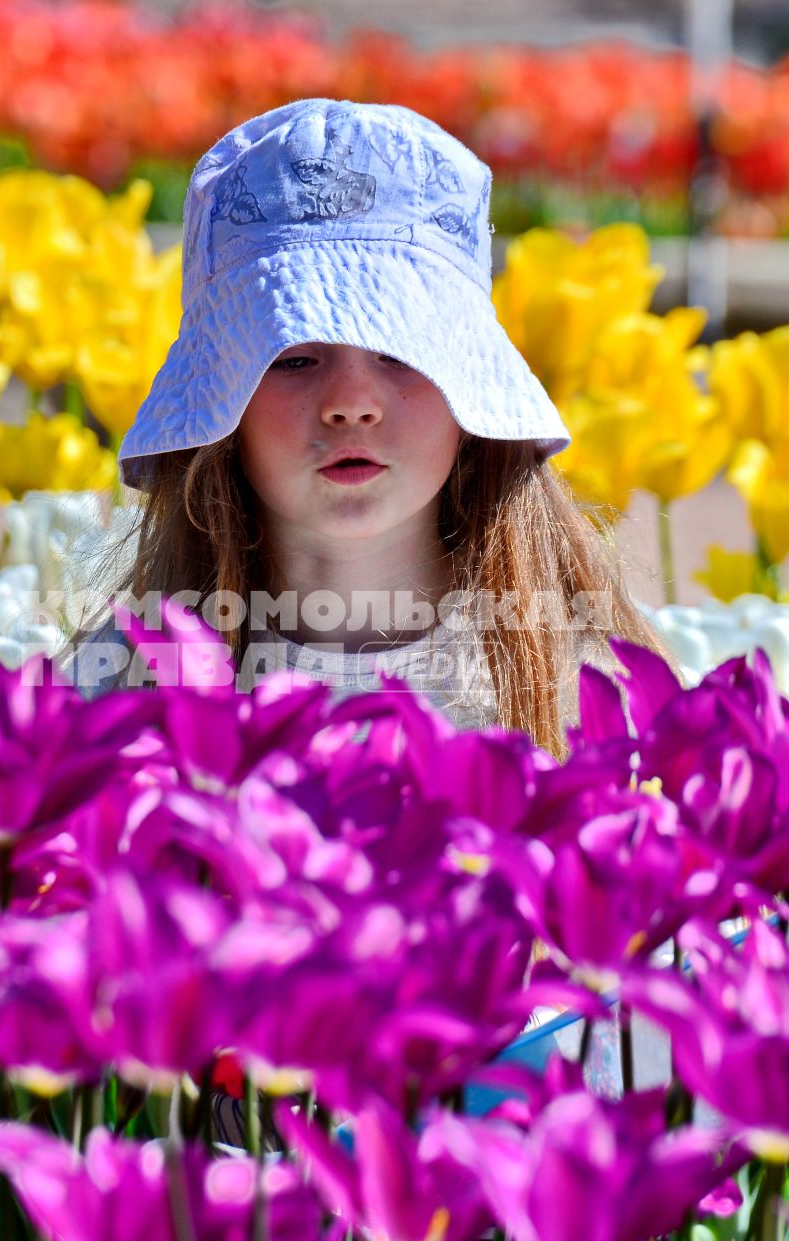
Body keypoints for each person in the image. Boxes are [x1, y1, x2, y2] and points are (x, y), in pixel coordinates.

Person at [58, 97, 665, 756]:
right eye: (291, 357)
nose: (351, 402)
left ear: (467, 382)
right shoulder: (126, 684)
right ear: (219, 403)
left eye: (402, 351)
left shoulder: (572, 683)